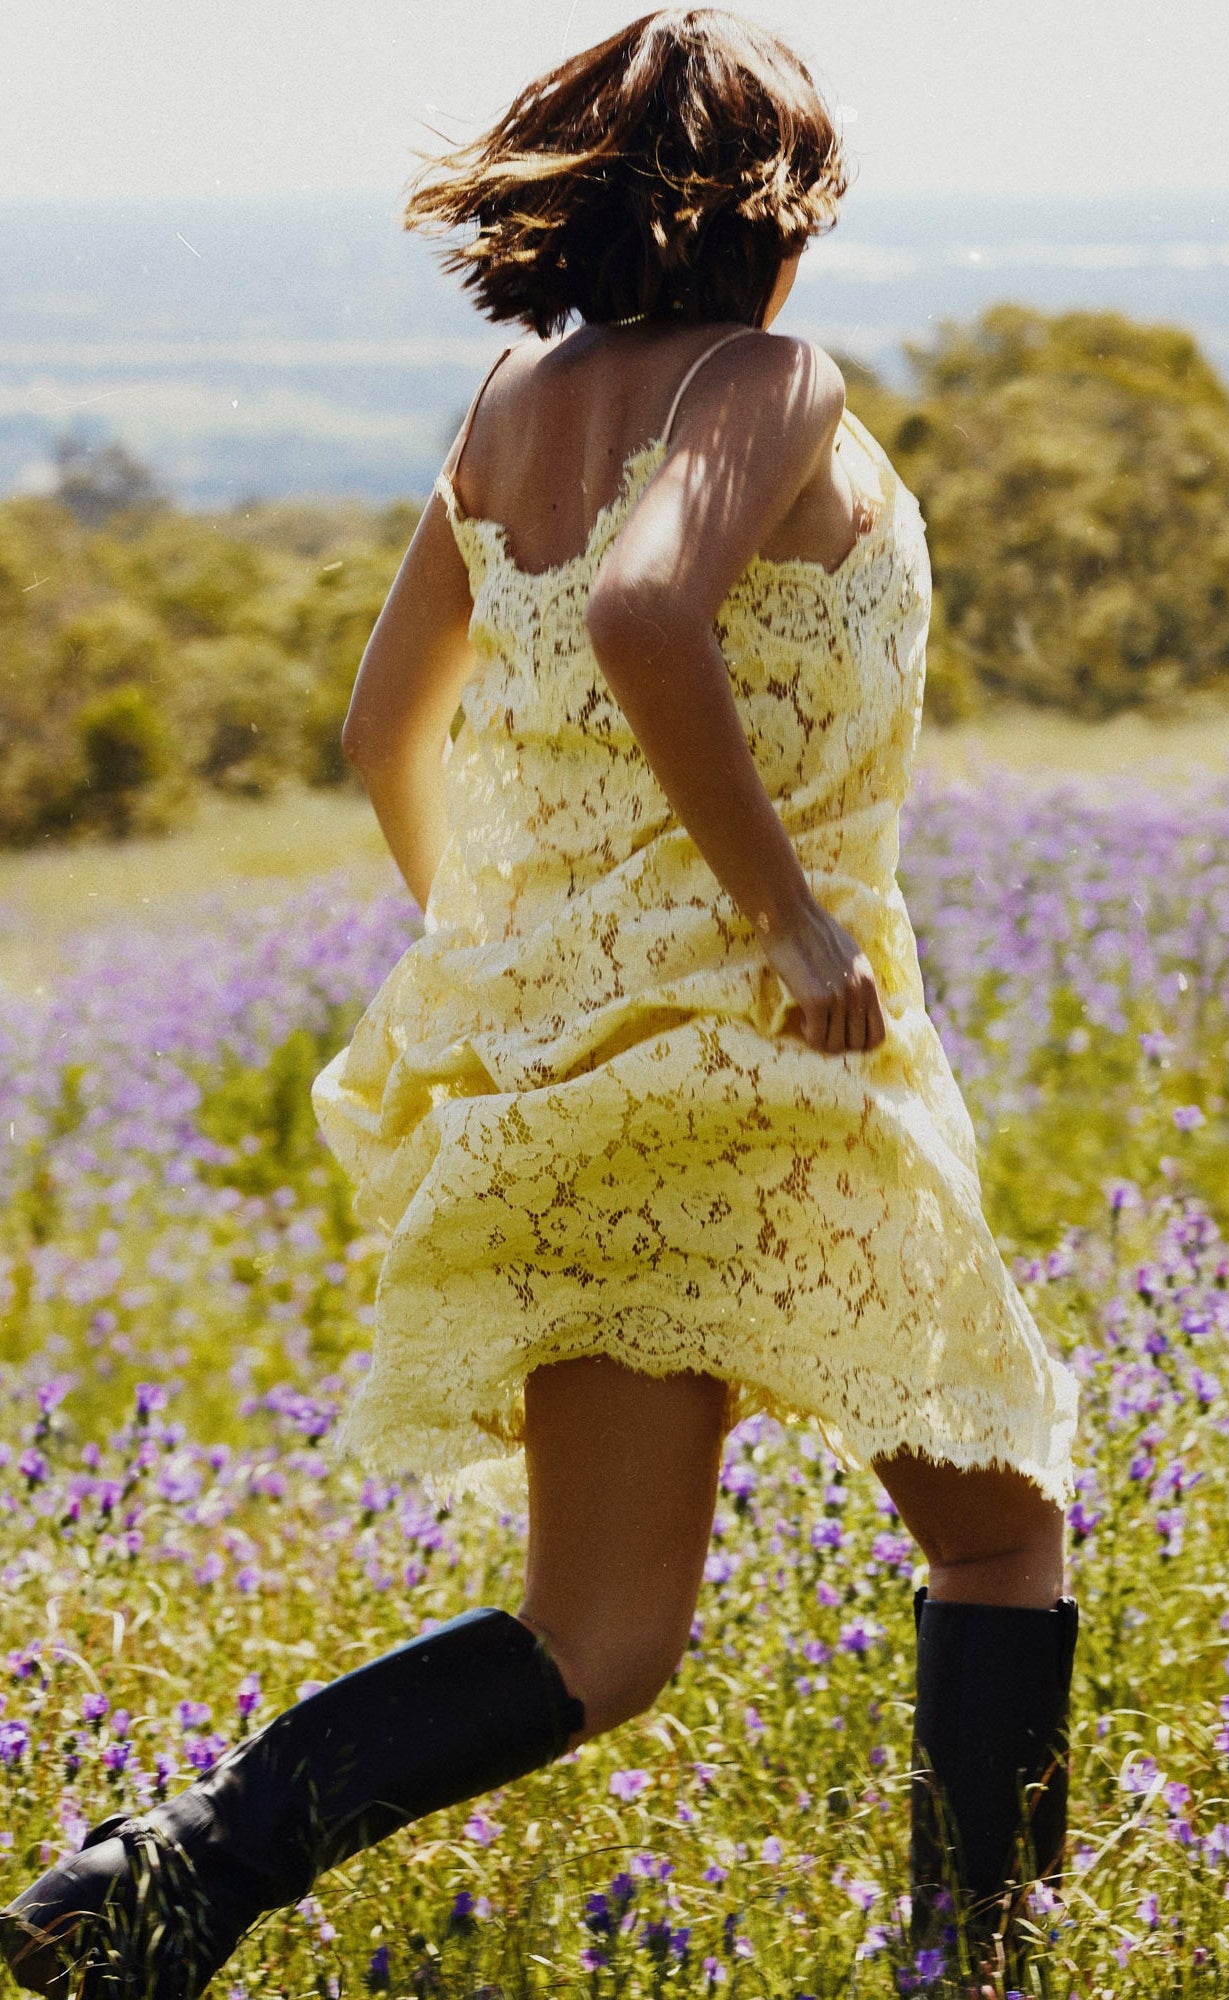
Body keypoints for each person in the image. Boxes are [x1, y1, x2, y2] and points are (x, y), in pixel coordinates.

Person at [0, 10, 1079, 1996]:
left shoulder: (508, 406)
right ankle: (973, 1970)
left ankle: (152, 1883)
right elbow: (645, 610)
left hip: (561, 1081)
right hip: (768, 1074)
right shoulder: (768, 377)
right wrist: (793, 934)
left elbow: (376, 727)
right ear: (779, 202)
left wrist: (504, 960)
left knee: (595, 1639)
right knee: (1002, 1525)